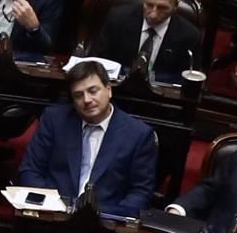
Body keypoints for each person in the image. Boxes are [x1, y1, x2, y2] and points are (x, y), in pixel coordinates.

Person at [20, 59, 161, 219]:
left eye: (93, 91)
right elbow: (30, 170)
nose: (87, 100)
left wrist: (111, 218)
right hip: (54, 214)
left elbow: (141, 192)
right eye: (79, 95)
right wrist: (52, 204)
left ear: (109, 90)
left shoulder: (138, 134)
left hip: (107, 223)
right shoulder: (55, 120)